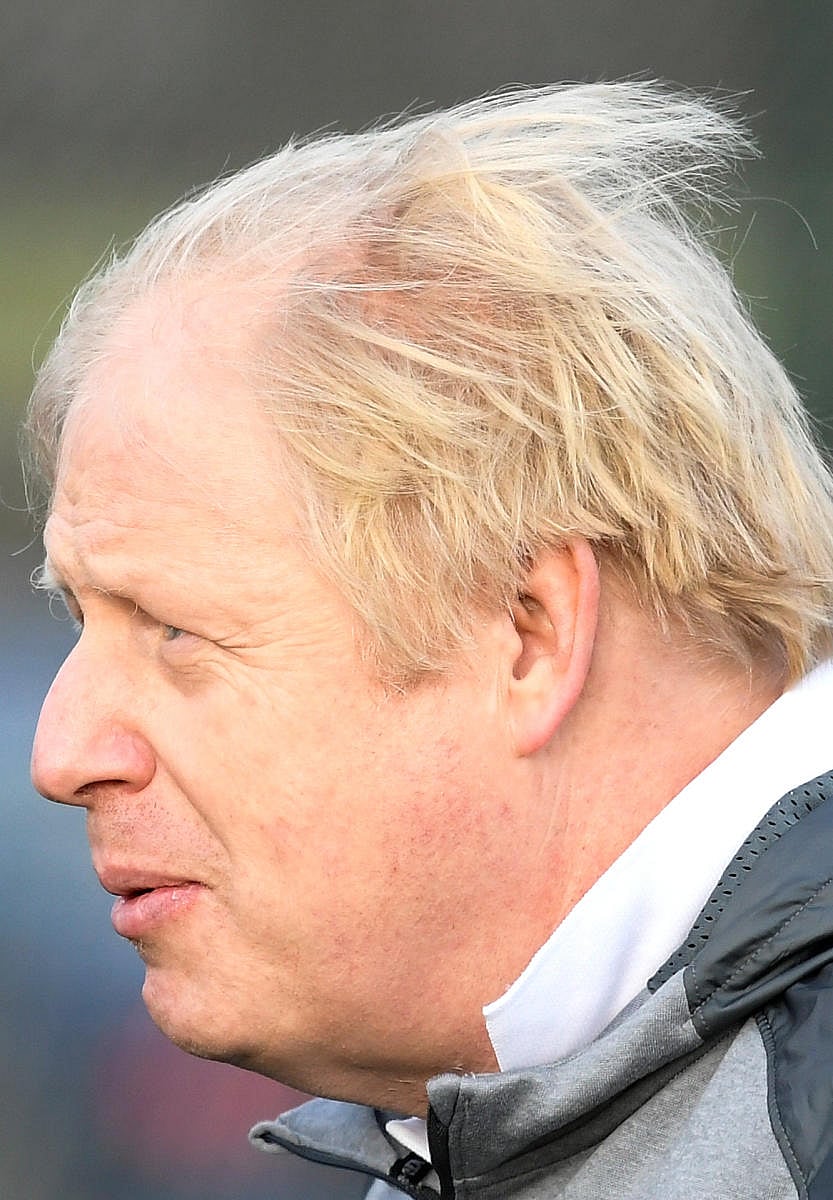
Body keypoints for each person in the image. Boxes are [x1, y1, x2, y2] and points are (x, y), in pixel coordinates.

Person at [25, 82, 833, 1199]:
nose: (61, 753)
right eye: (83, 620)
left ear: (528, 632)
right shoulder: (491, 1109)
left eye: (173, 628)